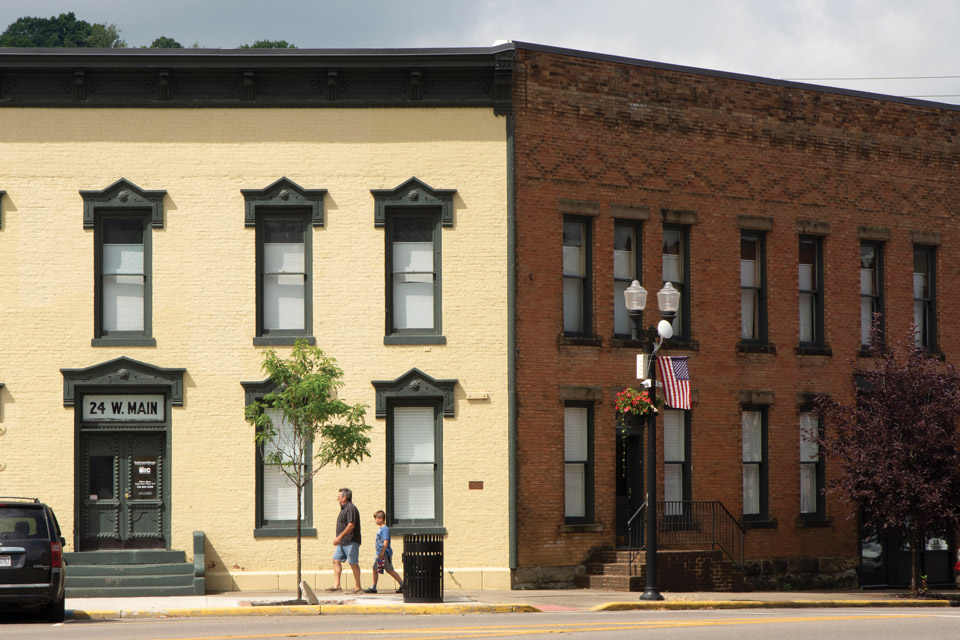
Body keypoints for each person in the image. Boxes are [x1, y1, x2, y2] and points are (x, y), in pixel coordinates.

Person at [326, 487, 362, 594]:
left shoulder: (351, 508)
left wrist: (339, 537)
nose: (338, 499)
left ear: (344, 497)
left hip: (350, 540)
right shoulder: (344, 509)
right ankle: (337, 586)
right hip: (342, 542)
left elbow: (351, 525)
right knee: (336, 560)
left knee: (353, 563)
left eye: (339, 497)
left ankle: (358, 587)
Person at [364, 510, 404, 593]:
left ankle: (402, 584)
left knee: (389, 569)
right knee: (375, 568)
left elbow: (386, 541)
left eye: (376, 519)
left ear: (381, 519)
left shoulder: (385, 529)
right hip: (379, 553)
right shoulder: (381, 529)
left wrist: (382, 552)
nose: (375, 520)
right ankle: (374, 586)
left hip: (384, 553)